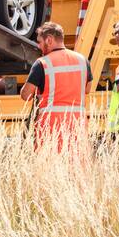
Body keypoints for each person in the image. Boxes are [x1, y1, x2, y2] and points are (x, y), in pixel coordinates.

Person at [21, 22, 94, 151]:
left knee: (51, 166)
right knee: (76, 165)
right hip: (78, 124)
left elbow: (26, 95)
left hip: (51, 126)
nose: (39, 46)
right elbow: (87, 89)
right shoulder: (83, 60)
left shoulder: (42, 63)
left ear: (49, 39)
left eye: (40, 42)